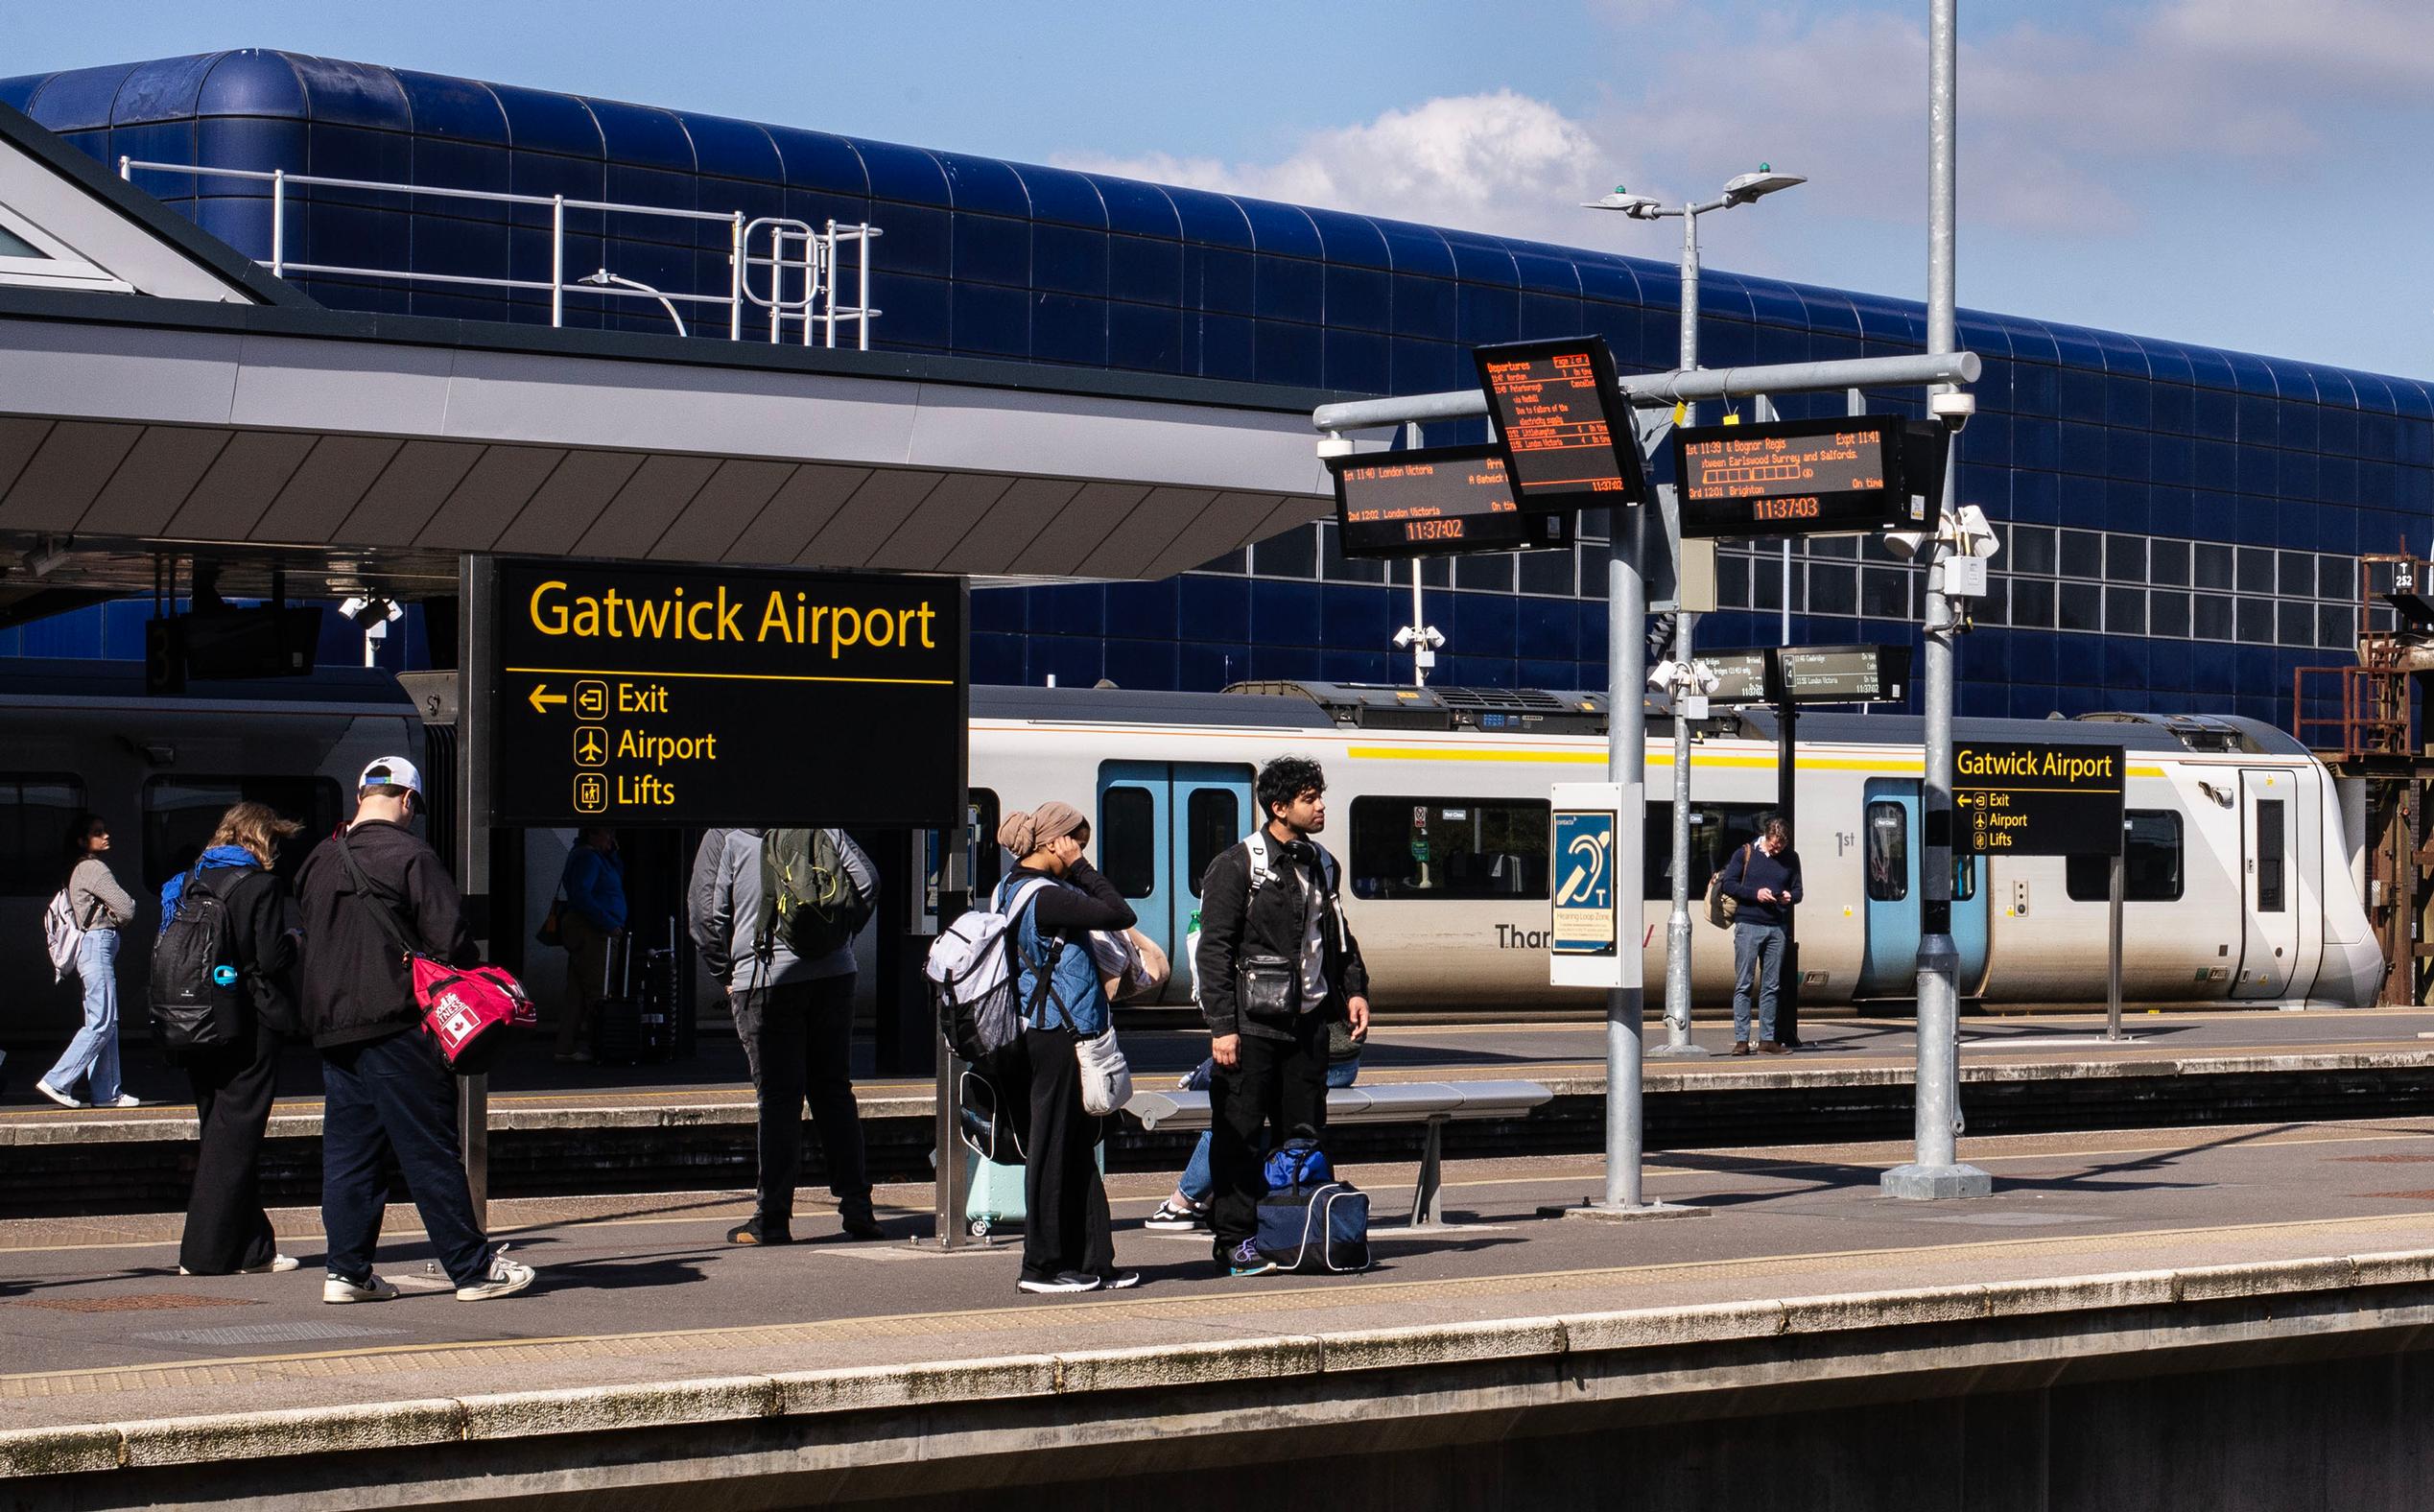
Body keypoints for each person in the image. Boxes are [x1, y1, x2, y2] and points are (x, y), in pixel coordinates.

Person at [295, 757, 535, 1303]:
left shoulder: (318, 859)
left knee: (350, 1155)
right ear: (407, 801)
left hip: (334, 1030)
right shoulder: (411, 855)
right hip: (398, 1024)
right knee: (429, 1150)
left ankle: (347, 1272)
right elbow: (450, 942)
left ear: (361, 795)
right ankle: (473, 1269)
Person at [1193, 757, 1370, 1277]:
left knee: (1304, 1132)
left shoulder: (1322, 862)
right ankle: (1234, 1241)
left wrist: (1354, 990)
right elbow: (1214, 950)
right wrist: (1222, 1027)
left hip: (1309, 1022)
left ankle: (1298, 1230)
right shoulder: (1237, 865)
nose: (1321, 806)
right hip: (1251, 1026)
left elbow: (1338, 938)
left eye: (1320, 796)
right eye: (1310, 798)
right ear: (1278, 807)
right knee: (1241, 1136)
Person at [689, 826, 885, 1244]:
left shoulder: (725, 833)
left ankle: (772, 1219)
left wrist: (725, 971)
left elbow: (705, 917)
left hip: (763, 979)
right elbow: (868, 882)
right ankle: (858, 1208)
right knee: (834, 1091)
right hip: (834, 975)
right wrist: (840, 938)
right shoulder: (821, 821)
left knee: (779, 1099)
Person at [993, 802, 1139, 1294]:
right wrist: (1079, 866)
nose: (1082, 850)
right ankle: (1040, 1267)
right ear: (1055, 841)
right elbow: (1121, 912)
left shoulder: (1010, 887)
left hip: (1059, 1032)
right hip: (1056, 1035)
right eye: (1077, 840)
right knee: (1053, 1148)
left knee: (1079, 1148)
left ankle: (1094, 1260)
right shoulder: (1044, 895)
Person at [163, 802, 303, 1276]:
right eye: (275, 839)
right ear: (259, 838)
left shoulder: (190, 880)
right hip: (249, 1025)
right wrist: (296, 943)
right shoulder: (259, 886)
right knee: (235, 1141)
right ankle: (201, 1255)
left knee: (220, 1132)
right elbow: (269, 957)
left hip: (194, 1021)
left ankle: (253, 1249)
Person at [1146, 1018, 1363, 1233]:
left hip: (1303, 1053)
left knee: (1233, 1110)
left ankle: (1183, 1200)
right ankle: (1213, 1194)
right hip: (1343, 1060)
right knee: (1259, 1111)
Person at [35, 813, 145, 1110]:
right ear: (83, 840)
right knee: (102, 1020)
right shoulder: (94, 868)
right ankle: (58, 1080)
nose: (106, 835)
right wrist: (119, 914)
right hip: (97, 945)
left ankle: (106, 1092)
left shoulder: (76, 870)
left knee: (106, 1019)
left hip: (89, 947)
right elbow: (127, 908)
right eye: (98, 832)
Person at [1721, 816, 1803, 1056]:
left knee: (1771, 986)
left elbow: (1798, 890)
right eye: (1774, 844)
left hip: (1776, 927)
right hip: (1748, 924)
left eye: (1781, 846)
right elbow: (1729, 884)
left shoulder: (1791, 858)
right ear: (1765, 837)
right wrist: (1756, 894)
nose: (1777, 849)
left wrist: (1790, 896)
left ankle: (1767, 1038)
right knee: (1744, 983)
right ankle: (1741, 1040)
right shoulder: (1745, 853)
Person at [554, 827, 626, 1064]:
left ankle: (566, 1047)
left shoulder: (593, 857)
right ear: (593, 834)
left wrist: (613, 854)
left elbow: (617, 874)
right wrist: (607, 923)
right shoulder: (588, 858)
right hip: (594, 932)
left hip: (587, 929)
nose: (611, 840)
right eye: (607, 835)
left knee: (576, 990)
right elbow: (581, 895)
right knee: (599, 989)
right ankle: (602, 1045)